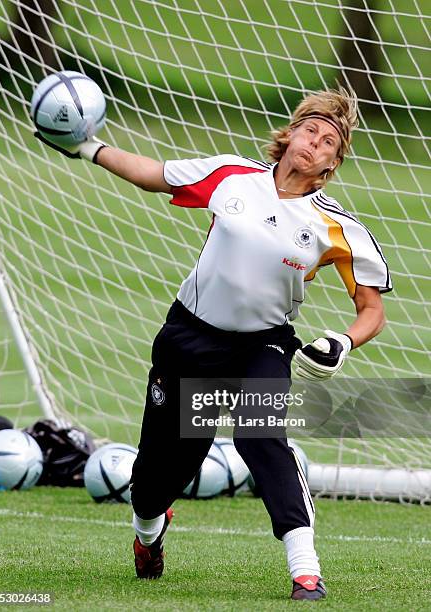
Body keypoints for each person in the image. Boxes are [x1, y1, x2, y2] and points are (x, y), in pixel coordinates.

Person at [35, 86, 391, 601]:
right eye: (310, 129)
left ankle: (305, 570)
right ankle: (148, 534)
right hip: (189, 339)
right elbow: (152, 175)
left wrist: (342, 341)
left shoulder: (336, 226)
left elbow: (372, 312)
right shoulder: (231, 176)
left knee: (261, 437)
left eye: (329, 140)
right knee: (161, 473)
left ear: (333, 163)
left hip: (262, 348)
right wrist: (87, 147)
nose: (316, 141)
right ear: (289, 135)